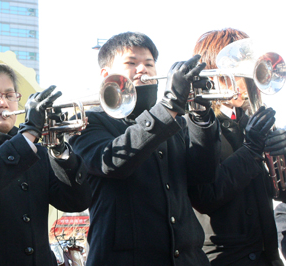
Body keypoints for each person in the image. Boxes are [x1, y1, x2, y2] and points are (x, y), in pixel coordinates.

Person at [67, 31, 221, 265]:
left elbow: (203, 174)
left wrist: (201, 114)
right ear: (106, 74)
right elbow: (111, 163)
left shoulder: (176, 121)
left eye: (149, 64)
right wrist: (169, 106)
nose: (143, 69)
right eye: (131, 63)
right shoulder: (89, 121)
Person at [0, 61, 91, 265]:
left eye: (9, 95)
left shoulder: (38, 151)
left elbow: (76, 202)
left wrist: (59, 149)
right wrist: (30, 133)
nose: (3, 103)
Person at [188, 28, 286, 266]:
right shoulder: (192, 124)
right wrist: (251, 149)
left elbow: (279, 193)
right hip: (222, 259)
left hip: (266, 256)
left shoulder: (249, 120)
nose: (245, 80)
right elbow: (206, 196)